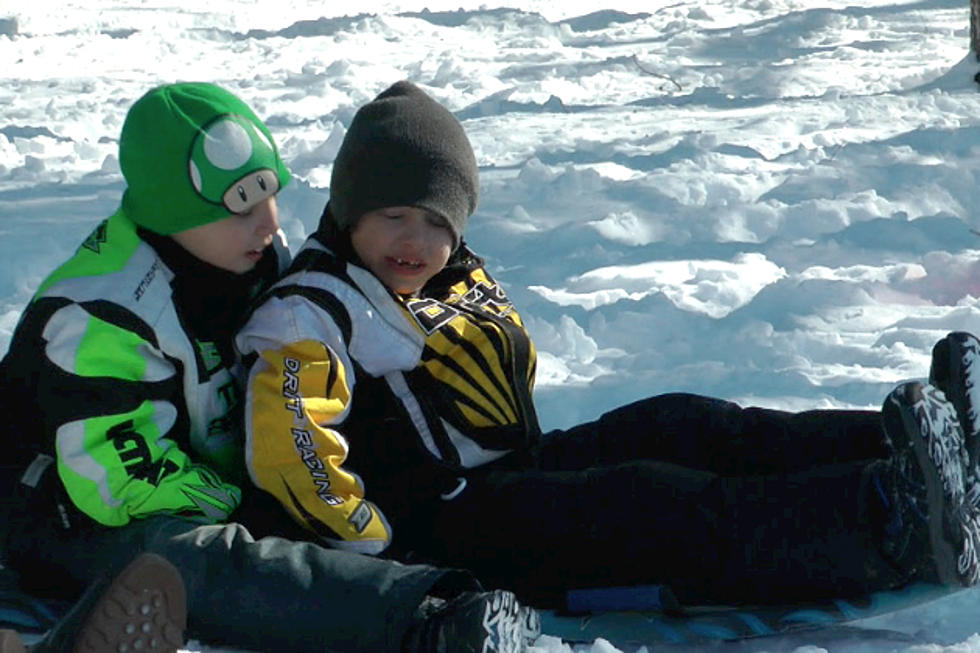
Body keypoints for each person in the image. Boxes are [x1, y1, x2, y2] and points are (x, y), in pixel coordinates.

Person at [236, 79, 980, 611]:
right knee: (654, 503)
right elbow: (291, 449)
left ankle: (913, 447)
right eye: (393, 214)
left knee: (685, 421)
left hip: (509, 474)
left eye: (437, 221)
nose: (416, 240)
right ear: (347, 210)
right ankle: (887, 516)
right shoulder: (311, 314)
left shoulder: (436, 277)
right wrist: (382, 560)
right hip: (441, 532)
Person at [0, 82, 539, 653]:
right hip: (62, 511)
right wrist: (246, 503)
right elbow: (119, 483)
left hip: (183, 480)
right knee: (199, 556)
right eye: (241, 210)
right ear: (171, 214)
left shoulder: (239, 255)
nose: (268, 224)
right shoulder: (100, 316)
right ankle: (425, 621)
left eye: (269, 200)